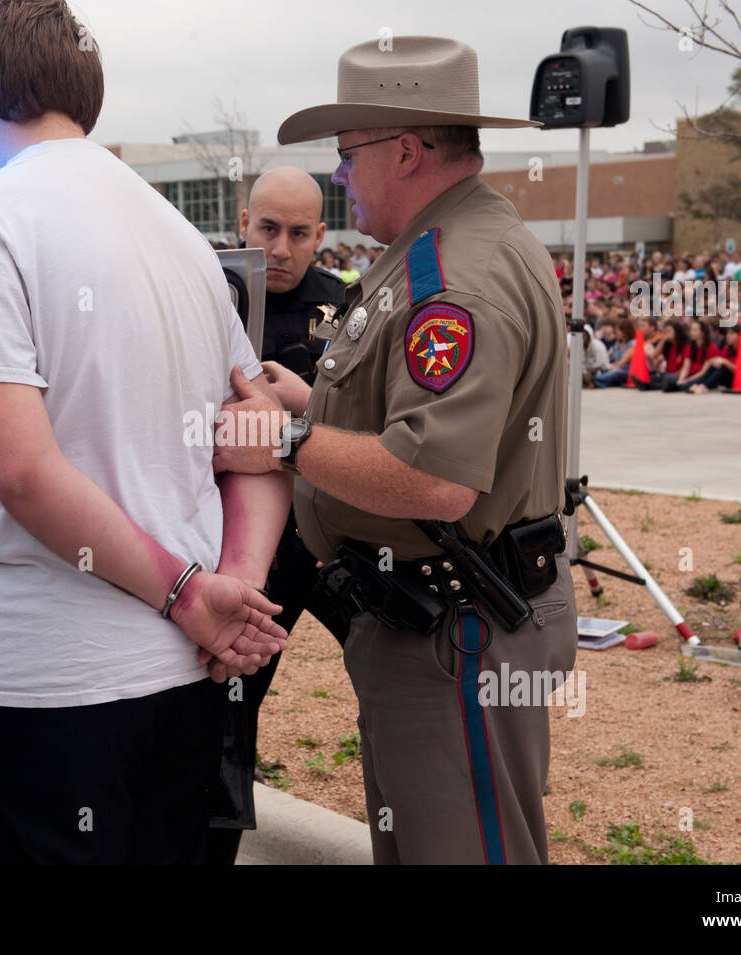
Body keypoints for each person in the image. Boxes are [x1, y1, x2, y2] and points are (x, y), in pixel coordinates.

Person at [0, 0, 289, 865]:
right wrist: (234, 586)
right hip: (183, 686)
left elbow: (23, 473)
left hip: (39, 686)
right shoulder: (186, 243)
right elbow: (259, 444)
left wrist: (193, 594)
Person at [216, 35, 577, 865]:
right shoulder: (439, 246)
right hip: (434, 624)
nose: (341, 177)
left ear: (406, 150)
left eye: (348, 156)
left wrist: (281, 440)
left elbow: (434, 474)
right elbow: (408, 415)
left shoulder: (454, 276)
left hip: (457, 631)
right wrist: (310, 401)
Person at [203, 166, 350, 865]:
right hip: (245, 547)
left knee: (397, 682)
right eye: (268, 229)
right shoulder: (206, 296)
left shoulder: (350, 308)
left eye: (298, 233)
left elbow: (384, 429)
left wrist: (306, 406)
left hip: (335, 543)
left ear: (321, 234)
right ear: (243, 222)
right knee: (227, 707)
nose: (281, 248)